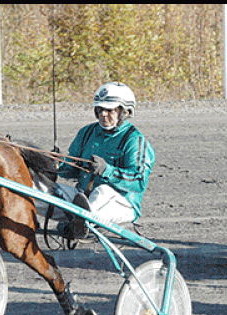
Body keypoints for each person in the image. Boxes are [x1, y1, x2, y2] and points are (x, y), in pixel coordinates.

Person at [56, 82, 155, 238]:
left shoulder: (135, 141)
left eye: (110, 110)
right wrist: (56, 163)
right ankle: (80, 219)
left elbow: (139, 181)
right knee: (49, 189)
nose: (103, 114)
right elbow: (70, 172)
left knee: (103, 191)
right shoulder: (86, 132)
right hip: (83, 198)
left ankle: (82, 221)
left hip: (121, 204)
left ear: (126, 112)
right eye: (100, 109)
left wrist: (106, 170)